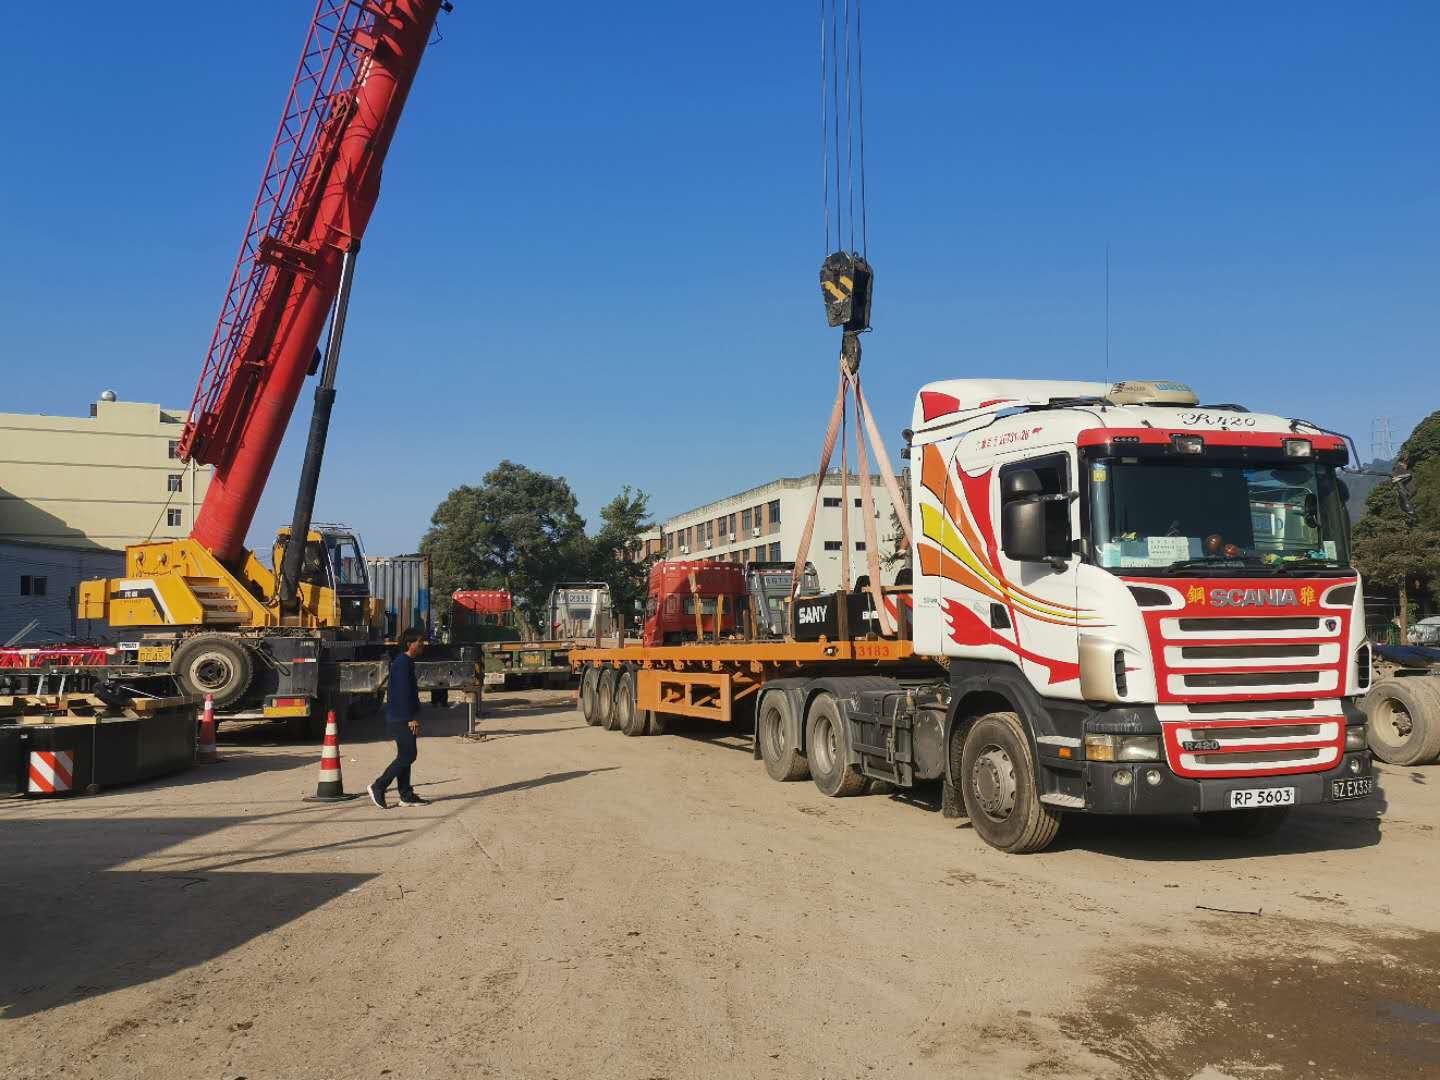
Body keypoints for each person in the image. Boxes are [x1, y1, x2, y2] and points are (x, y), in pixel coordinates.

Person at [368, 628, 430, 808]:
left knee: (405, 754)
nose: (422, 645)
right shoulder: (402, 663)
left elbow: (409, 693)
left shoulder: (407, 661)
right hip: (400, 717)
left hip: (400, 716)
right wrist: (410, 718)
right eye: (419, 641)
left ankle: (405, 795)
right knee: (409, 754)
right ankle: (378, 786)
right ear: (410, 644)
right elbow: (402, 694)